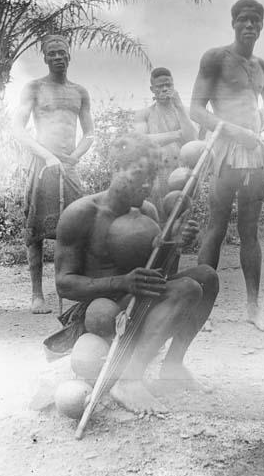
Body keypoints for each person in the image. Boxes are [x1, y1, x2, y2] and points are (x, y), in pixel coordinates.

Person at [52, 133, 219, 414]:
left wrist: (175, 244)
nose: (147, 184)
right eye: (139, 174)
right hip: (101, 311)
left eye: (152, 176)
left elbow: (161, 274)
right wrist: (123, 282)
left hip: (140, 300)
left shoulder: (147, 211)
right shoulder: (80, 214)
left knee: (205, 277)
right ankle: (128, 380)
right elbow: (64, 285)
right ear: (116, 169)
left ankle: (173, 367)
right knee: (187, 288)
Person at [190, 0, 264, 331]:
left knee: (250, 232)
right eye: (243, 19)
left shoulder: (261, 66)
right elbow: (196, 111)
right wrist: (234, 129)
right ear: (233, 23)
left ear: (262, 26)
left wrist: (261, 114)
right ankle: (200, 306)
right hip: (225, 150)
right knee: (216, 226)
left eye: (255, 20)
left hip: (254, 153)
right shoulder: (215, 58)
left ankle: (253, 308)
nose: (249, 25)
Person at [13, 34, 94, 314]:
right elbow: (18, 129)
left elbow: (90, 132)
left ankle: (74, 288)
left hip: (68, 167)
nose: (58, 57)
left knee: (77, 226)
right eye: (52, 53)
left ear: (69, 56)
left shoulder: (80, 91)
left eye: (62, 52)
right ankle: (37, 295)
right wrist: (46, 155)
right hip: (42, 165)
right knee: (36, 231)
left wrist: (76, 155)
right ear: (45, 58)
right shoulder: (34, 87)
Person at [133, 67, 198, 221]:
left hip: (182, 171)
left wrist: (180, 107)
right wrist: (176, 134)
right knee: (158, 217)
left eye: (168, 85)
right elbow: (141, 141)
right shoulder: (144, 114)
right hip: (156, 173)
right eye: (160, 86)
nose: (165, 89)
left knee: (183, 218)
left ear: (173, 85)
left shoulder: (186, 111)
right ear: (152, 89)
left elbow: (192, 138)